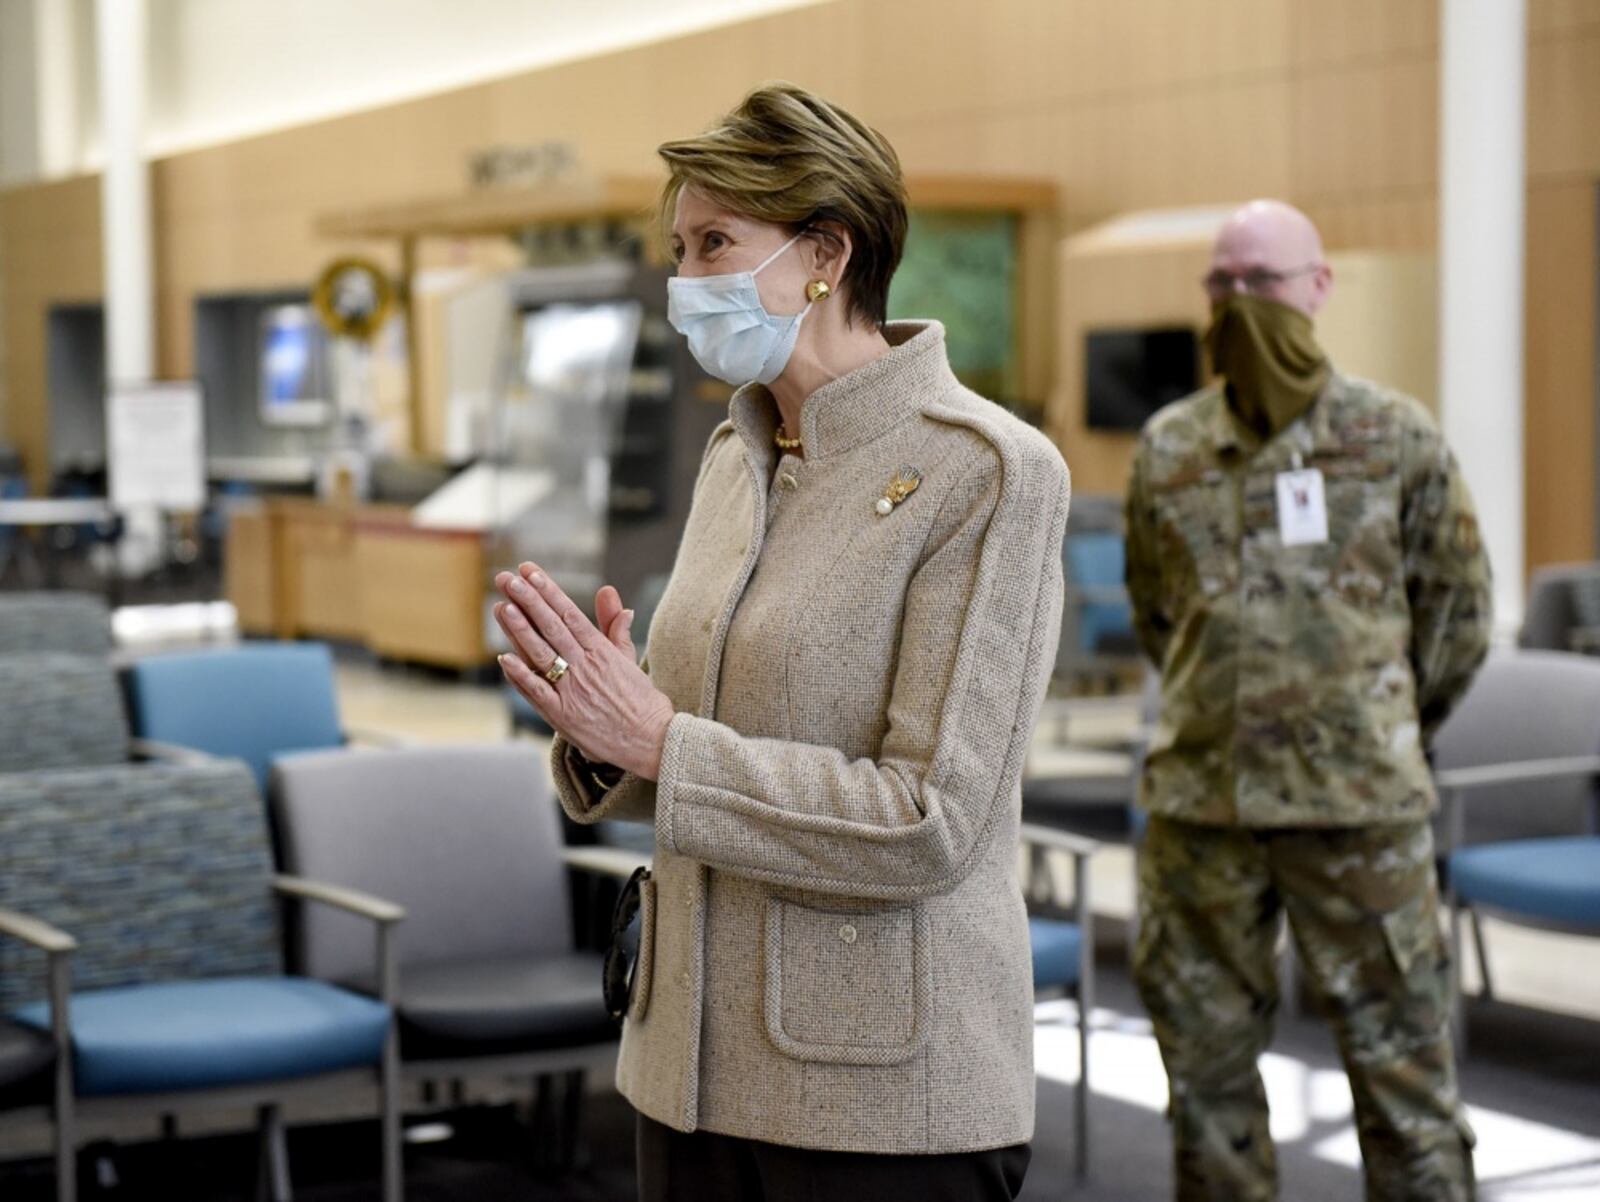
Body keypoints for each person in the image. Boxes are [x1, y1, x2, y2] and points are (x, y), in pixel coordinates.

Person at [493, 83, 1071, 1202]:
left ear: (824, 253)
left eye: (715, 242)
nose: (685, 279)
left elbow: (928, 819)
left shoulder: (988, 471)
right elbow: (690, 736)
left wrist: (664, 741)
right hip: (687, 1066)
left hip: (879, 1092)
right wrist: (603, 724)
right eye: (678, 247)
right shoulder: (735, 456)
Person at [1124, 198, 1493, 1201]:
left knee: (1403, 1083)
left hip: (1358, 816)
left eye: (1264, 281)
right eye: (1222, 282)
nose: (1241, 301)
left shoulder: (1396, 438)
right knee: (1205, 1089)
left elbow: (1458, 617)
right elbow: (1161, 612)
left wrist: (1374, 726)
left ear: (1317, 288)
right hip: (1203, 813)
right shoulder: (1166, 449)